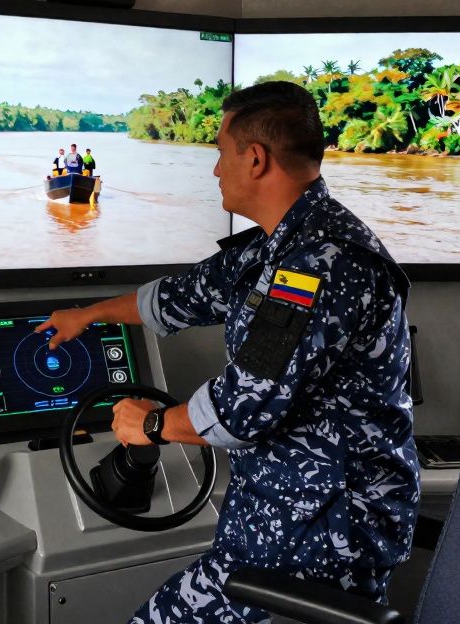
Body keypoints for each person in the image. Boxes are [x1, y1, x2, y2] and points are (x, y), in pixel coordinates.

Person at [36, 81, 416, 624]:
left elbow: (245, 406)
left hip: (321, 535)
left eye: (219, 152)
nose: (216, 169)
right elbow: (180, 296)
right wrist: (89, 315)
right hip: (283, 520)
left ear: (255, 159)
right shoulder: (277, 246)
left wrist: (151, 426)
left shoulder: (317, 264)